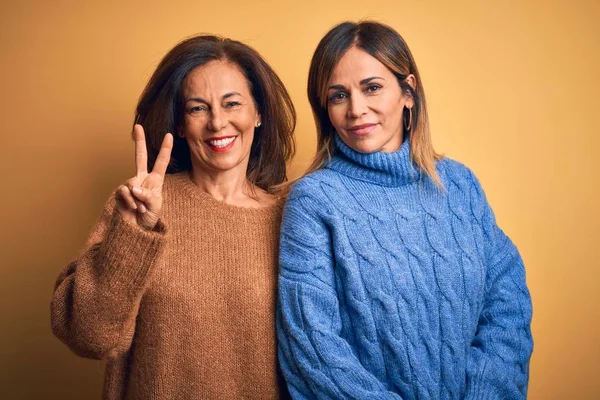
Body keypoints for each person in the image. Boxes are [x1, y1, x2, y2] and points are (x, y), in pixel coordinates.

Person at [277, 21, 533, 399]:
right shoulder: (314, 201)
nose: (356, 109)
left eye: (372, 88)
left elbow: (506, 303)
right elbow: (313, 348)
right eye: (338, 96)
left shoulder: (459, 184)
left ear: (408, 91)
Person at [51, 34, 295, 399]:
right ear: (180, 124)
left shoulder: (292, 217)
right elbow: (88, 336)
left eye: (232, 104)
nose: (217, 122)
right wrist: (132, 233)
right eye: (198, 108)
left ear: (258, 113)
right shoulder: (142, 204)